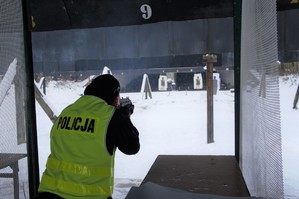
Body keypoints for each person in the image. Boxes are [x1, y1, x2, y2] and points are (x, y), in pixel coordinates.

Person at [37, 74, 140, 199]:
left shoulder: (67, 111)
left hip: (48, 193)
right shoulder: (111, 116)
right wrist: (123, 115)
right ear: (113, 97)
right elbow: (132, 147)